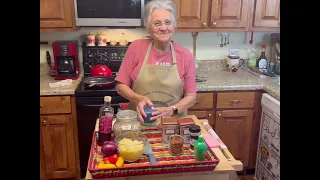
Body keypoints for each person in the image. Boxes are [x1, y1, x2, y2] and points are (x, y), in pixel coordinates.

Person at [115, 0, 197, 122]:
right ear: (149, 28)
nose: (163, 28)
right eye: (157, 23)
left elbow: (191, 96)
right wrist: (139, 99)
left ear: (174, 26)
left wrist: (173, 109)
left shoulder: (185, 55)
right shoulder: (136, 48)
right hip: (139, 124)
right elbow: (120, 86)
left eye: (168, 23)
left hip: (172, 125)